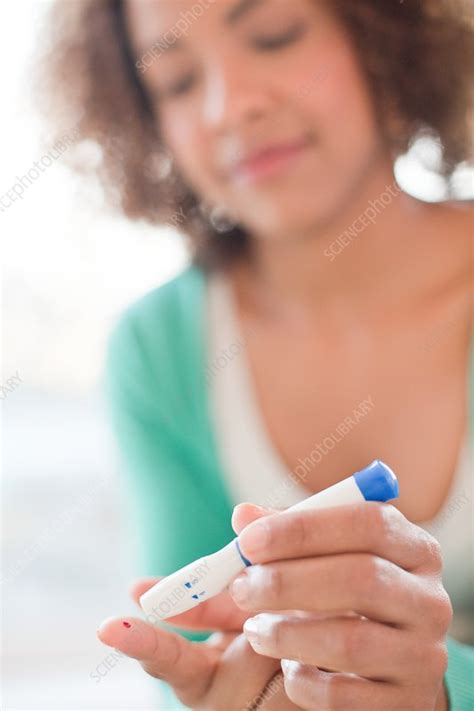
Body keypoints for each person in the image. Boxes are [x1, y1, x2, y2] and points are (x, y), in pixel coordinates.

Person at [44, 1, 473, 708]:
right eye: (178, 81)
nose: (228, 106)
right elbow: (182, 663)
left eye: (275, 37)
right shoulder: (158, 352)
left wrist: (438, 689)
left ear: (383, 32)